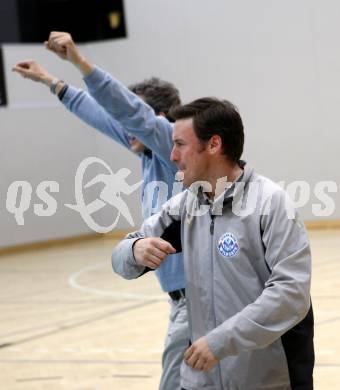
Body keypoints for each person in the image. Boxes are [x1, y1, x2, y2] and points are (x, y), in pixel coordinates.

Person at [12, 32, 189, 390]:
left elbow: (125, 111)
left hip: (200, 304)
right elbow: (101, 115)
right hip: (183, 303)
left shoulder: (172, 146)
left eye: (131, 116)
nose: (123, 128)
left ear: (154, 117)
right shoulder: (148, 153)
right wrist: (50, 81)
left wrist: (79, 63)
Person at [111, 97, 314, 389]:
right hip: (202, 379)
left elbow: (291, 294)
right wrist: (133, 250)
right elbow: (121, 261)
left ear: (214, 145)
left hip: (267, 379)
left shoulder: (270, 203)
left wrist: (220, 342)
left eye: (180, 144)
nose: (172, 156)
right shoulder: (183, 207)